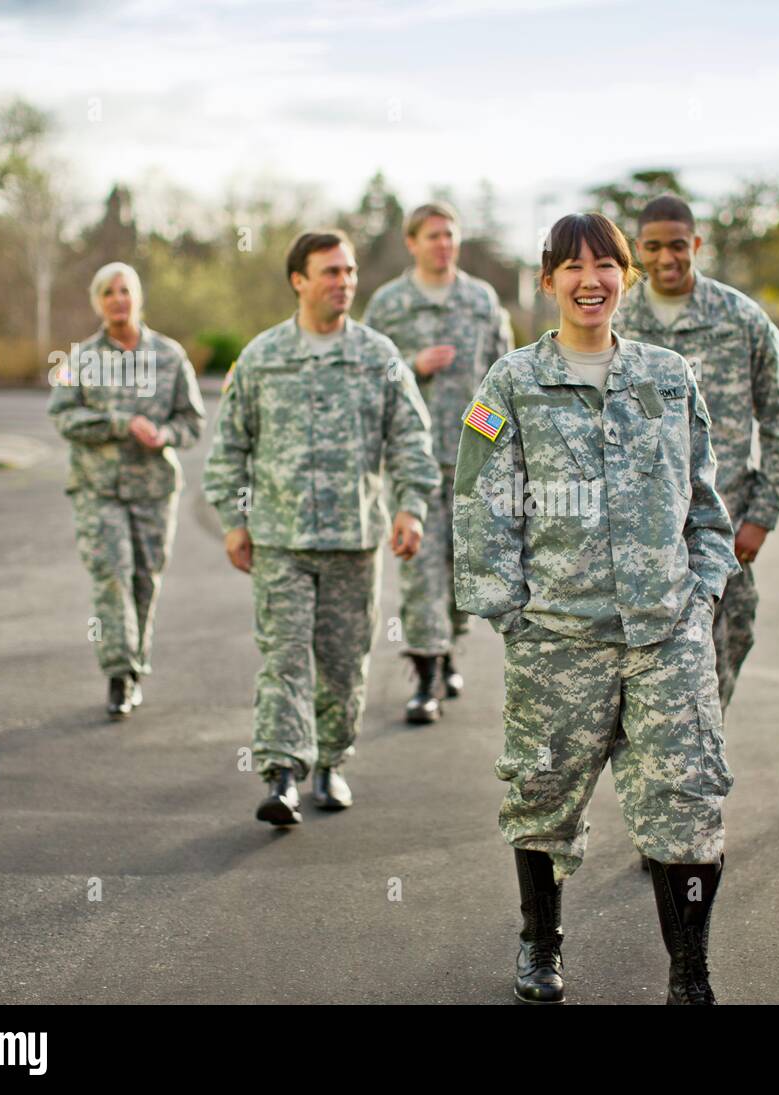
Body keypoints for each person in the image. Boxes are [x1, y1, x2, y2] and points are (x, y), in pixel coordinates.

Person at [454, 213, 739, 1004]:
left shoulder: (670, 376)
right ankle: (540, 942)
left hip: (666, 634)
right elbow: (480, 501)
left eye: (607, 264)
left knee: (688, 801)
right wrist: (512, 611)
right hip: (559, 639)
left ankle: (690, 972)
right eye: (573, 267)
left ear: (628, 277)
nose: (592, 280)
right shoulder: (511, 383)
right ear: (547, 280)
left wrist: (703, 590)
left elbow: (705, 501)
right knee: (542, 796)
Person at [203, 231, 440, 825]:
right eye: (331, 272)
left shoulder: (380, 357)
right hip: (280, 541)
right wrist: (235, 520)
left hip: (353, 542)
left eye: (351, 270)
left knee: (341, 662)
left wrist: (411, 507)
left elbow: (411, 438)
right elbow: (230, 447)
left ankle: (331, 761)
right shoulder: (262, 357)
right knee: (283, 657)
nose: (345, 282)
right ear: (299, 281)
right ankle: (282, 772)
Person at [613, 194, 779, 715]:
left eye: (678, 245)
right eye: (652, 247)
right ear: (638, 252)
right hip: (635, 536)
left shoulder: (741, 320)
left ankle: (697, 774)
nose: (666, 258)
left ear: (696, 244)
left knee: (722, 656)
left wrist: (759, 520)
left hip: (722, 533)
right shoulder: (616, 320)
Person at [363, 202, 513, 723]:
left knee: (462, 570)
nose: (442, 244)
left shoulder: (480, 299)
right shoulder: (389, 304)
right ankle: (425, 673)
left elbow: (505, 375)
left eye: (449, 234)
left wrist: (503, 448)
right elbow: (366, 373)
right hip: (413, 457)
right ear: (412, 243)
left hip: (474, 456)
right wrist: (410, 365)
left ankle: (449, 644)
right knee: (420, 571)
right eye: (431, 236)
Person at [47, 262, 205, 719]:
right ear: (98, 302)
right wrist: (118, 424)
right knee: (112, 575)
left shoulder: (170, 356)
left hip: (154, 490)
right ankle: (118, 673)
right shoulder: (79, 359)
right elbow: (62, 416)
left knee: (144, 578)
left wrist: (165, 435)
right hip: (98, 489)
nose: (118, 299)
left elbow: (192, 421)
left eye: (125, 290)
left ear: (139, 297)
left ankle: (135, 667)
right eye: (109, 292)